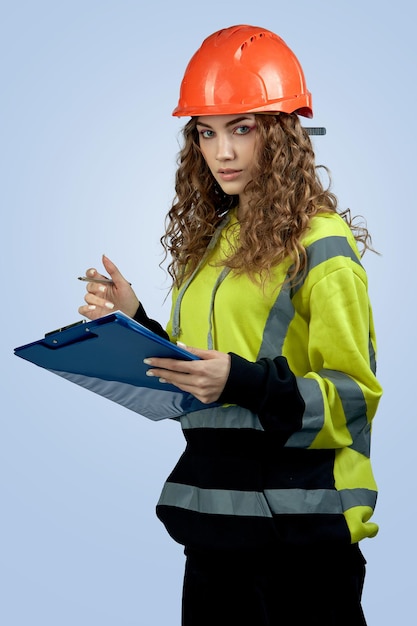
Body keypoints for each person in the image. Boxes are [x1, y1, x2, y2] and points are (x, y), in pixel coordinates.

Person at [78, 25, 382, 626]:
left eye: (243, 128)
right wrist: (134, 321)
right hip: (215, 532)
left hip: (302, 542)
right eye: (207, 132)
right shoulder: (212, 244)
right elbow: (203, 376)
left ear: (284, 133)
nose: (223, 152)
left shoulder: (321, 245)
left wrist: (242, 382)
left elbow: (353, 401)